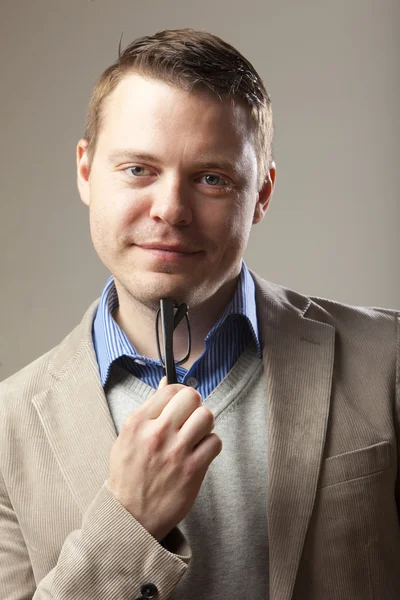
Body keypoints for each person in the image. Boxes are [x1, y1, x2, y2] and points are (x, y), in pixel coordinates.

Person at [0, 27, 399, 600]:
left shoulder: (388, 362)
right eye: (138, 169)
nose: (171, 210)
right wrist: (128, 522)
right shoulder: (8, 429)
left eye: (211, 178)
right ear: (86, 171)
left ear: (261, 193)